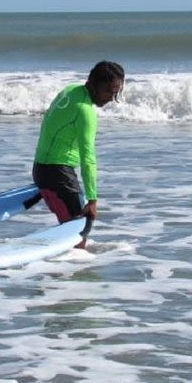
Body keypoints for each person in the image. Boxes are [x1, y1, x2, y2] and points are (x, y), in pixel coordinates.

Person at [32, 60, 125, 249]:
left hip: (41, 168)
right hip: (58, 175)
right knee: (79, 231)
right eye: (108, 91)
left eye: (117, 92)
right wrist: (92, 199)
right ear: (92, 83)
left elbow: (48, 122)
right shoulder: (85, 112)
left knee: (73, 229)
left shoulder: (70, 90)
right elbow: (88, 158)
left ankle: (61, 267)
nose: (112, 98)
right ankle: (74, 273)